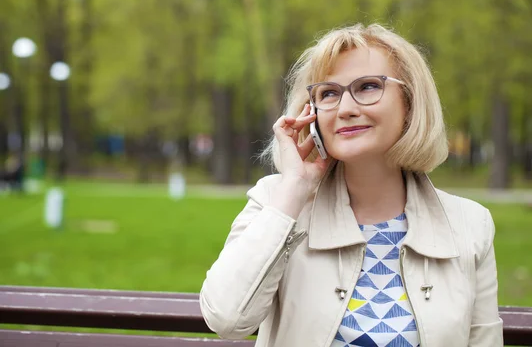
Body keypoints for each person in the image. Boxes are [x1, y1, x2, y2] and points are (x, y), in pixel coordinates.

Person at [199, 24, 503, 346]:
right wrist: (294, 189)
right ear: (311, 114)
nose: (345, 109)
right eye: (328, 93)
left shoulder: (470, 226)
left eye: (369, 87)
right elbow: (226, 319)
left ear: (410, 103)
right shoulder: (275, 202)